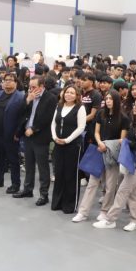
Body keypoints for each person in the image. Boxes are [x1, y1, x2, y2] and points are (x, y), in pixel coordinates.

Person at [93, 95, 136, 231]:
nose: (135, 107)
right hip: (131, 162)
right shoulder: (135, 122)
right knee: (132, 193)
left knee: (122, 190)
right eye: (135, 105)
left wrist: (128, 143)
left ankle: (110, 220)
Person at [74, 90, 129, 223]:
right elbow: (96, 132)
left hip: (112, 153)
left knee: (110, 185)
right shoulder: (100, 113)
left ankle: (105, 211)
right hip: (99, 150)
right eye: (107, 98)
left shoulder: (124, 118)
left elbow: (122, 139)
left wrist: (107, 145)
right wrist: (99, 142)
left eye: (111, 99)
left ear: (116, 100)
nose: (108, 101)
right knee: (92, 183)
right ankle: (83, 212)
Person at [17, 75, 58, 205]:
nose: (31, 89)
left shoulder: (50, 98)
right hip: (27, 135)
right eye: (29, 87)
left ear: (42, 86)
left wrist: (34, 129)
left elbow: (48, 118)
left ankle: (44, 194)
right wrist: (27, 100)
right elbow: (20, 112)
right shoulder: (29, 96)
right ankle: (27, 189)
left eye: (34, 87)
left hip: (41, 136)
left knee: (42, 167)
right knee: (29, 165)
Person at [50, 85, 87, 214]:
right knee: (59, 173)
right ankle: (57, 202)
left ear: (77, 96)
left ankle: (70, 205)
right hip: (58, 144)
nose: (69, 95)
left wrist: (67, 140)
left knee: (71, 175)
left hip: (73, 145)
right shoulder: (59, 106)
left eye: (72, 93)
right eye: (67, 92)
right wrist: (55, 137)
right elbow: (53, 123)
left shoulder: (80, 108)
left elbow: (81, 127)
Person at [0, 72, 25, 191]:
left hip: (12, 135)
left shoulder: (20, 97)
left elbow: (22, 118)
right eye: (5, 80)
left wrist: (18, 133)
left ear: (16, 83)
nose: (7, 82)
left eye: (10, 80)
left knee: (13, 160)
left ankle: (15, 184)